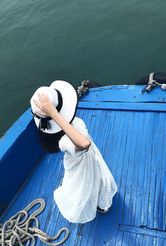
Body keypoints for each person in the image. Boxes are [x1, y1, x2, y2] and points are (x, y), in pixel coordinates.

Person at [30, 80, 118, 224]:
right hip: (87, 160)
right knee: (93, 180)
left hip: (80, 164)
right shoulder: (68, 133)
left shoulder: (64, 138)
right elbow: (84, 143)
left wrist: (53, 115)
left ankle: (96, 202)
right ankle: (101, 203)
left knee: (84, 185)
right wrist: (55, 113)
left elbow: (84, 143)